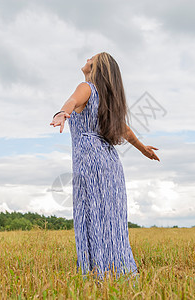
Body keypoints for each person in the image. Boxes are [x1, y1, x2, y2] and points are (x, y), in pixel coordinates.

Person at [49, 52, 160, 281]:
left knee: (92, 214)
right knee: (110, 219)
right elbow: (125, 131)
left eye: (93, 57)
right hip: (110, 162)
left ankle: (97, 273)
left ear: (96, 67)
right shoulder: (108, 100)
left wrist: (62, 112)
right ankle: (116, 272)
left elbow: (72, 100)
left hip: (90, 159)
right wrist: (143, 150)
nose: (87, 57)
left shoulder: (86, 87)